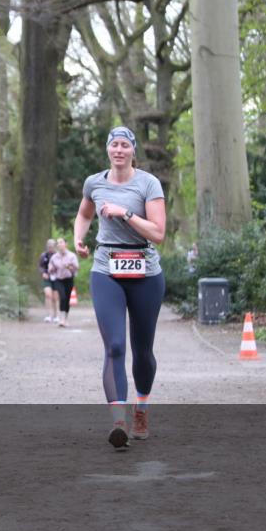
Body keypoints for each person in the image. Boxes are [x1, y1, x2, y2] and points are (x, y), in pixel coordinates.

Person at [73, 126, 166, 450]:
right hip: (106, 269)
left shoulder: (148, 183)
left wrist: (124, 213)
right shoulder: (94, 182)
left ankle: (141, 407)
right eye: (114, 144)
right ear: (108, 149)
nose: (119, 150)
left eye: (125, 145)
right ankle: (119, 421)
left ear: (132, 150)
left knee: (142, 350)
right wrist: (78, 239)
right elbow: (84, 214)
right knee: (114, 346)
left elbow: (157, 233)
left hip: (145, 271)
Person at [48, 238, 79, 328]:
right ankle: (61, 319)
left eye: (61, 242)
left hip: (69, 279)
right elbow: (50, 267)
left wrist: (69, 267)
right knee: (62, 297)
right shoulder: (54, 257)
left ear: (66, 244)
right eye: (58, 243)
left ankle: (65, 318)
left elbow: (76, 268)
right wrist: (51, 269)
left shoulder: (71, 256)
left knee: (67, 299)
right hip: (59, 279)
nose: (59, 244)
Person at [38, 238, 60, 322]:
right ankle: (48, 315)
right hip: (47, 277)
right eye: (49, 247)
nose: (50, 248)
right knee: (48, 295)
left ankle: (56, 315)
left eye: (52, 247)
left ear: (55, 247)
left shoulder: (58, 256)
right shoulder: (44, 255)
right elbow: (40, 266)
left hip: (57, 277)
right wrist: (43, 273)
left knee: (55, 297)